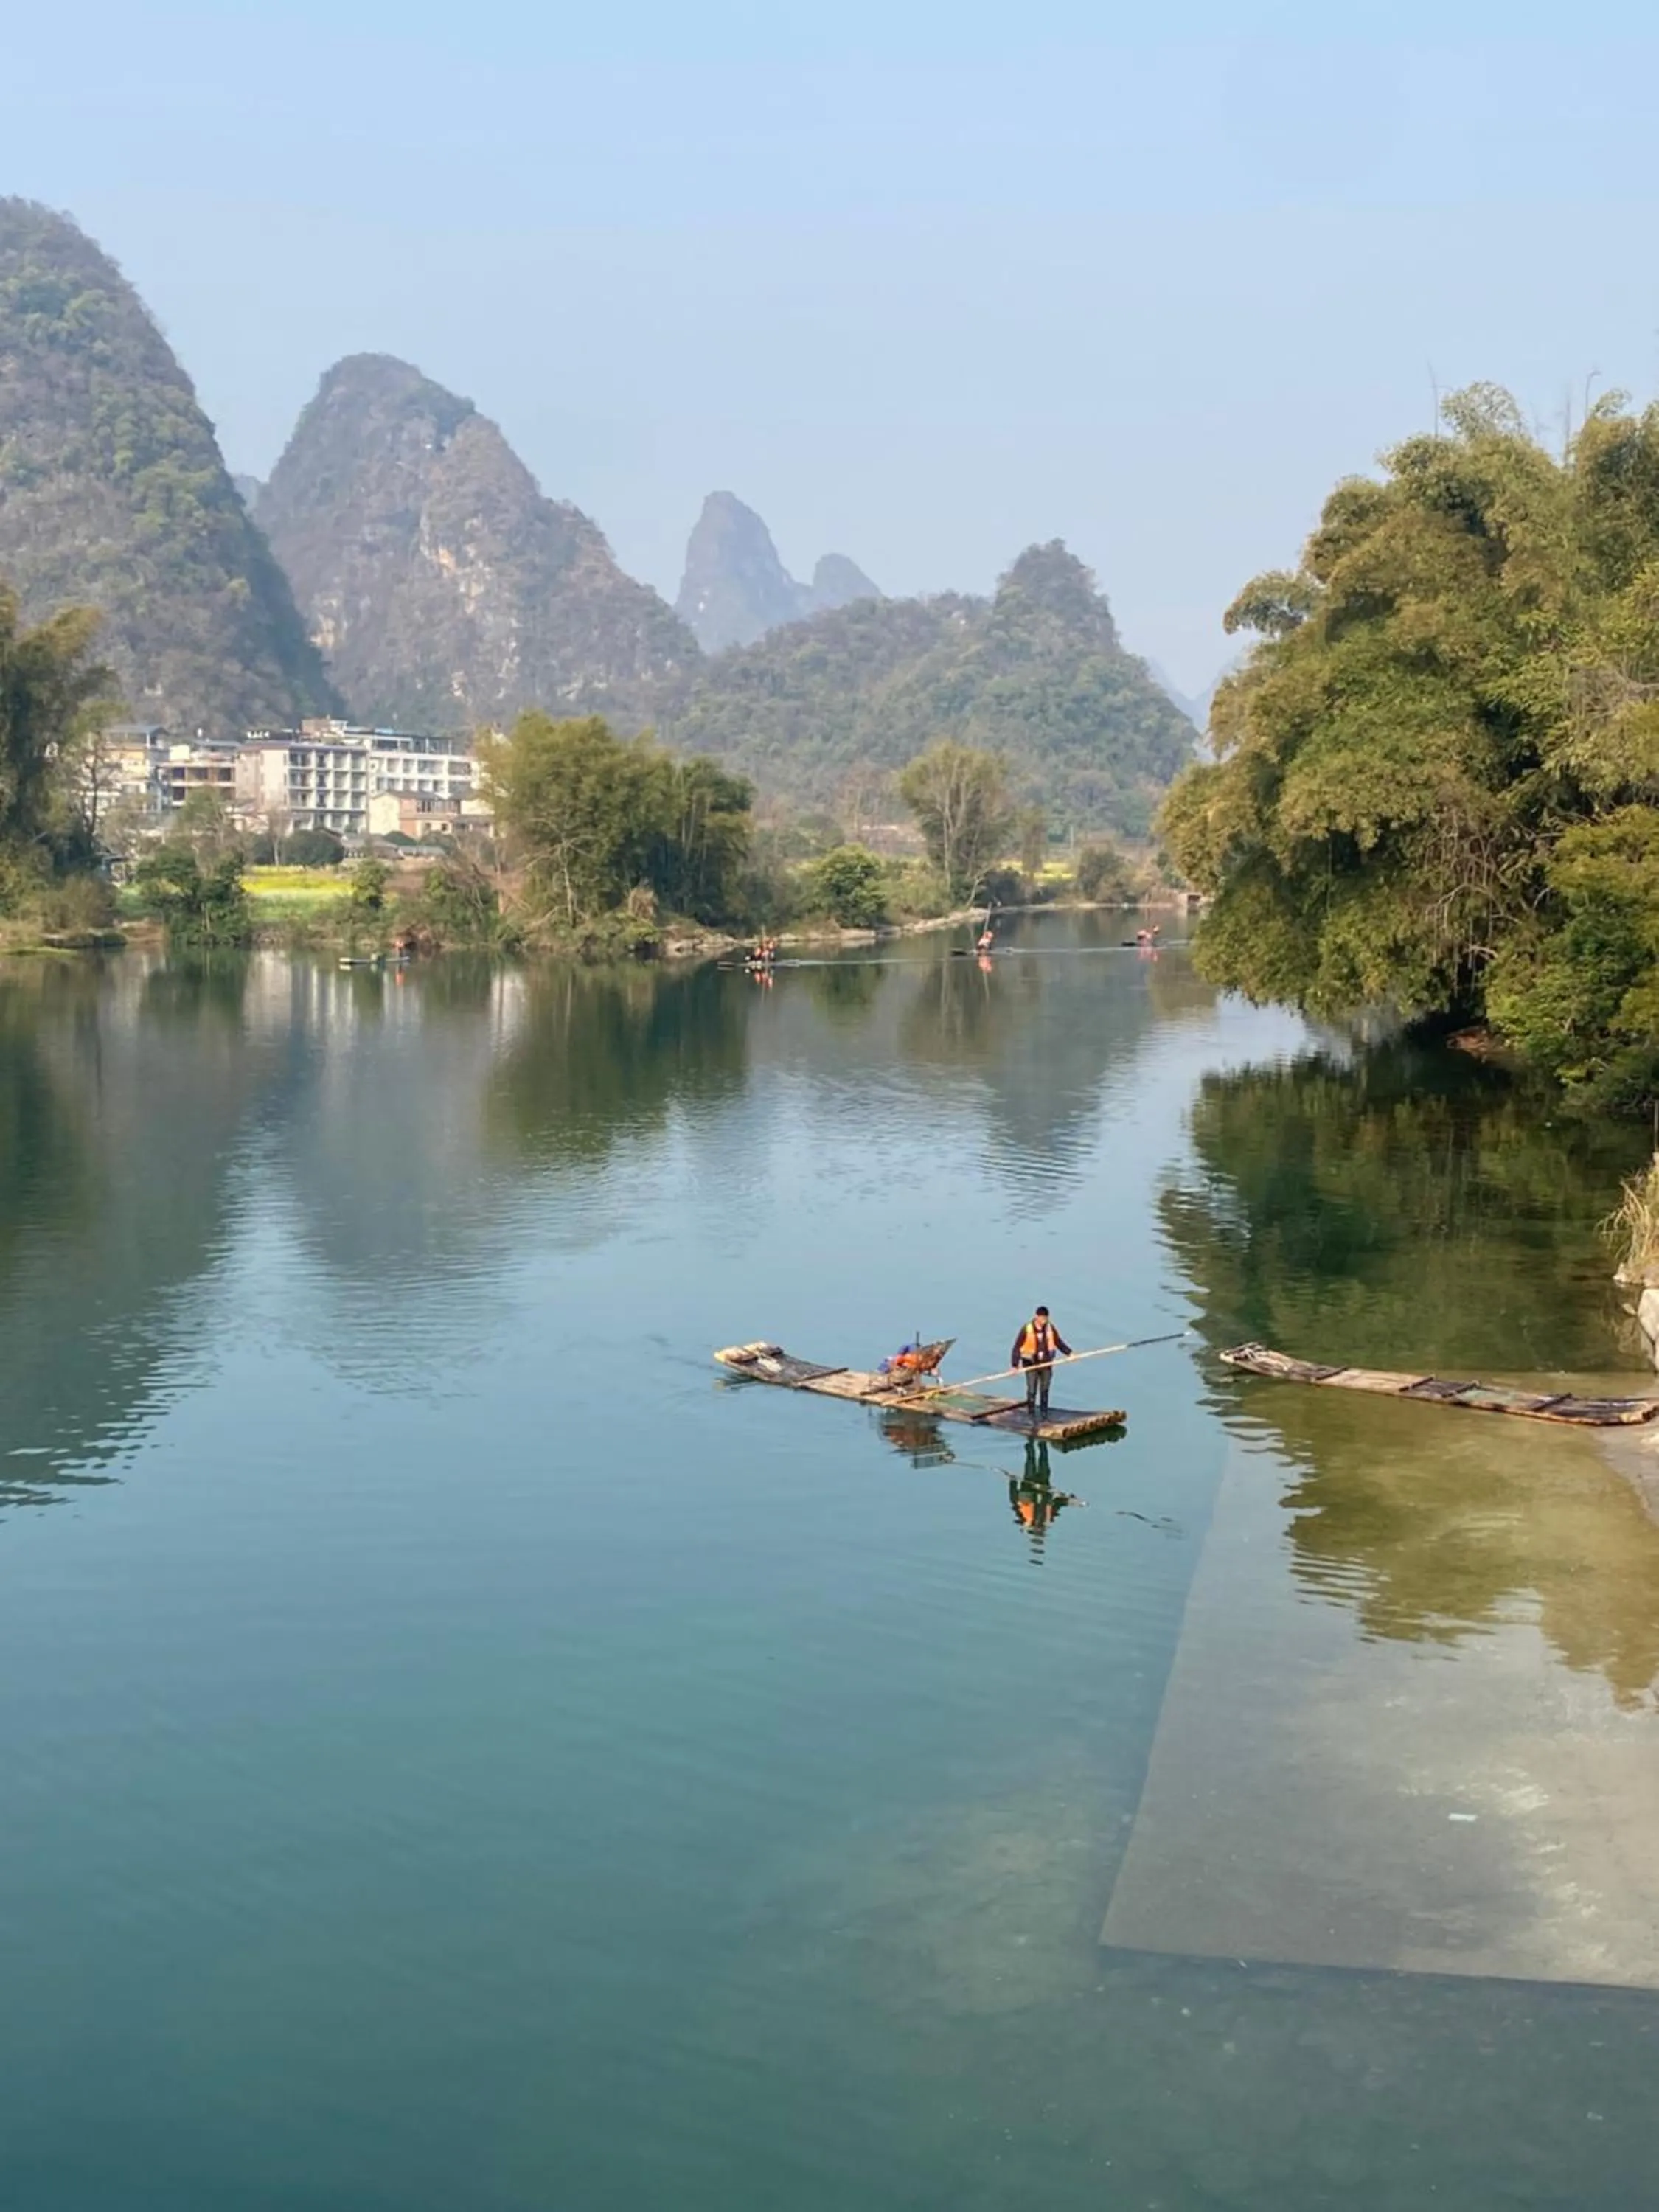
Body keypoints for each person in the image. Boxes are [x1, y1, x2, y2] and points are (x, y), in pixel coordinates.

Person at [1009, 1304, 1071, 1420]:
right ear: (1036, 1317)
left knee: (1045, 1388)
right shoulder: (1027, 1329)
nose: (1043, 1321)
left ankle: (1044, 1413)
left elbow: (1058, 1342)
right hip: (1031, 1364)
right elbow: (1017, 1347)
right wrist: (1014, 1365)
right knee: (1032, 1389)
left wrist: (1069, 1353)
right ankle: (1031, 1414)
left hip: (1046, 1364)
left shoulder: (1050, 1328)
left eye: (1045, 1319)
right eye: (1042, 1319)